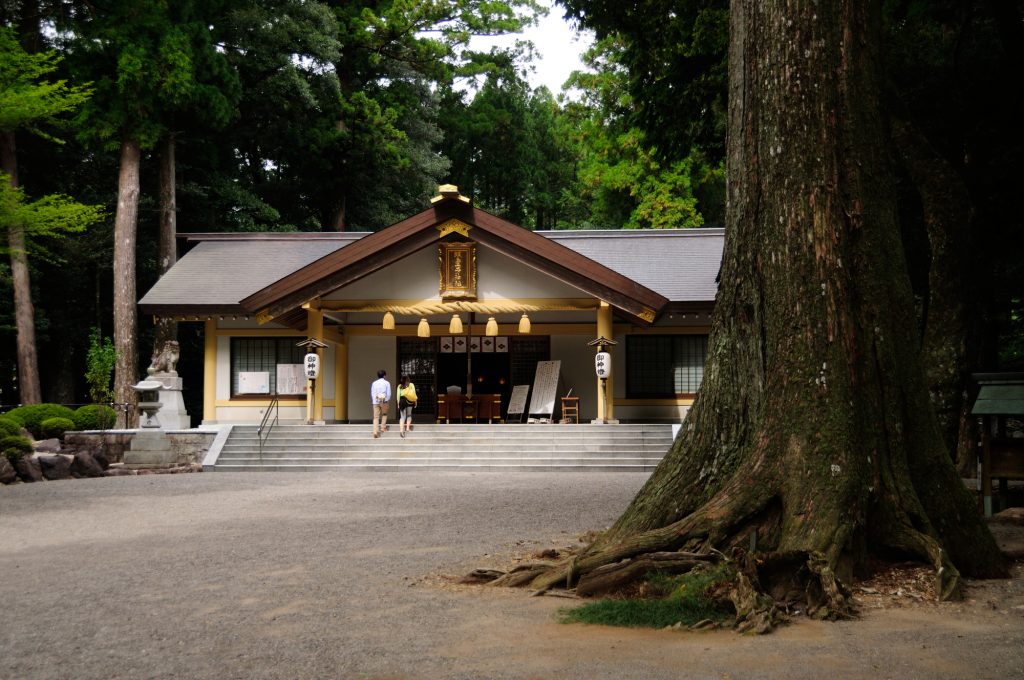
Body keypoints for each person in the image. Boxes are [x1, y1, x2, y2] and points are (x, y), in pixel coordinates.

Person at [370, 369, 392, 438]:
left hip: (375, 401)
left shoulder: (374, 383)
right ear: (384, 376)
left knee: (376, 417)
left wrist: (374, 400)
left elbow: (372, 393)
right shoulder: (387, 383)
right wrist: (387, 400)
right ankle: (383, 427)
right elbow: (388, 394)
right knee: (384, 414)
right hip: (384, 400)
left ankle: (375, 431)